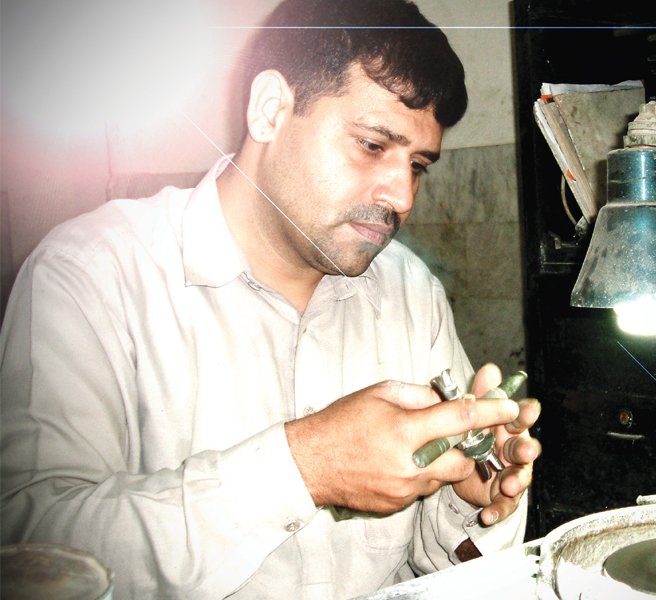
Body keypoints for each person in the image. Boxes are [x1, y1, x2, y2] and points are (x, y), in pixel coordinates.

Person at [0, 0, 541, 598]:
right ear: (270, 109)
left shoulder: (410, 293)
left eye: (417, 165)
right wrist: (304, 467)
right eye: (371, 146)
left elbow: (436, 569)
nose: (402, 196)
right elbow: (28, 550)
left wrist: (471, 505)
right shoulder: (92, 274)